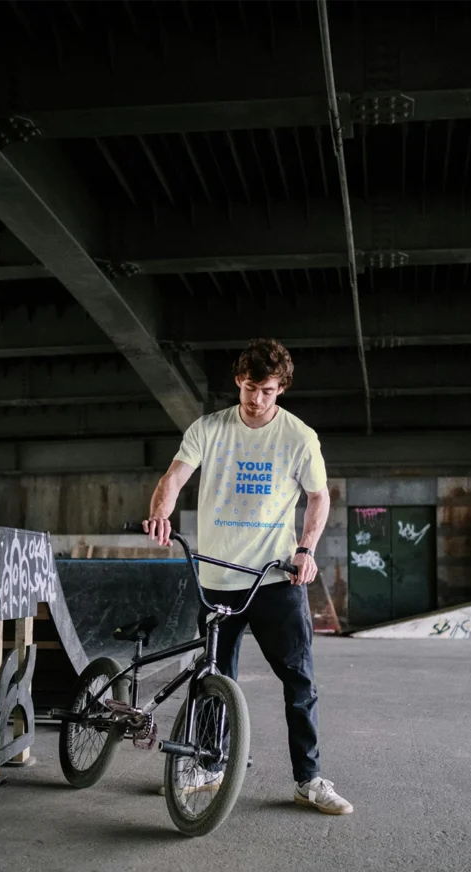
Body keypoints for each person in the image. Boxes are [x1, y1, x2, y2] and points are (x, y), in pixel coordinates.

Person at [143, 338, 352, 816]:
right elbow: (174, 477)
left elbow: (318, 499)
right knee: (214, 678)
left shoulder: (299, 437)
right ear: (239, 381)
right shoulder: (209, 429)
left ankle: (308, 779)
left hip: (275, 579)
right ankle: (210, 766)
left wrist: (306, 550)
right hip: (216, 577)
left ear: (281, 389)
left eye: (268, 390)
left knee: (299, 681)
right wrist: (160, 512)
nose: (257, 400)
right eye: (251, 387)